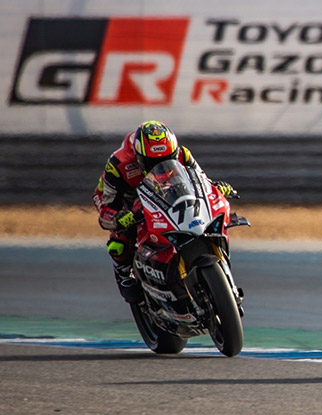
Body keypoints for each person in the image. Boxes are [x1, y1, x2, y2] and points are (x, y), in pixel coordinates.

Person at [92, 120, 235, 304]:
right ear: (138, 156)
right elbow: (106, 208)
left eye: (168, 158)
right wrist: (117, 218)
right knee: (119, 242)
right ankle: (123, 275)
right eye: (153, 162)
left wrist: (216, 188)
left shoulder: (183, 154)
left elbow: (201, 181)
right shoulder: (119, 164)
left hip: (167, 191)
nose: (160, 165)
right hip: (127, 198)